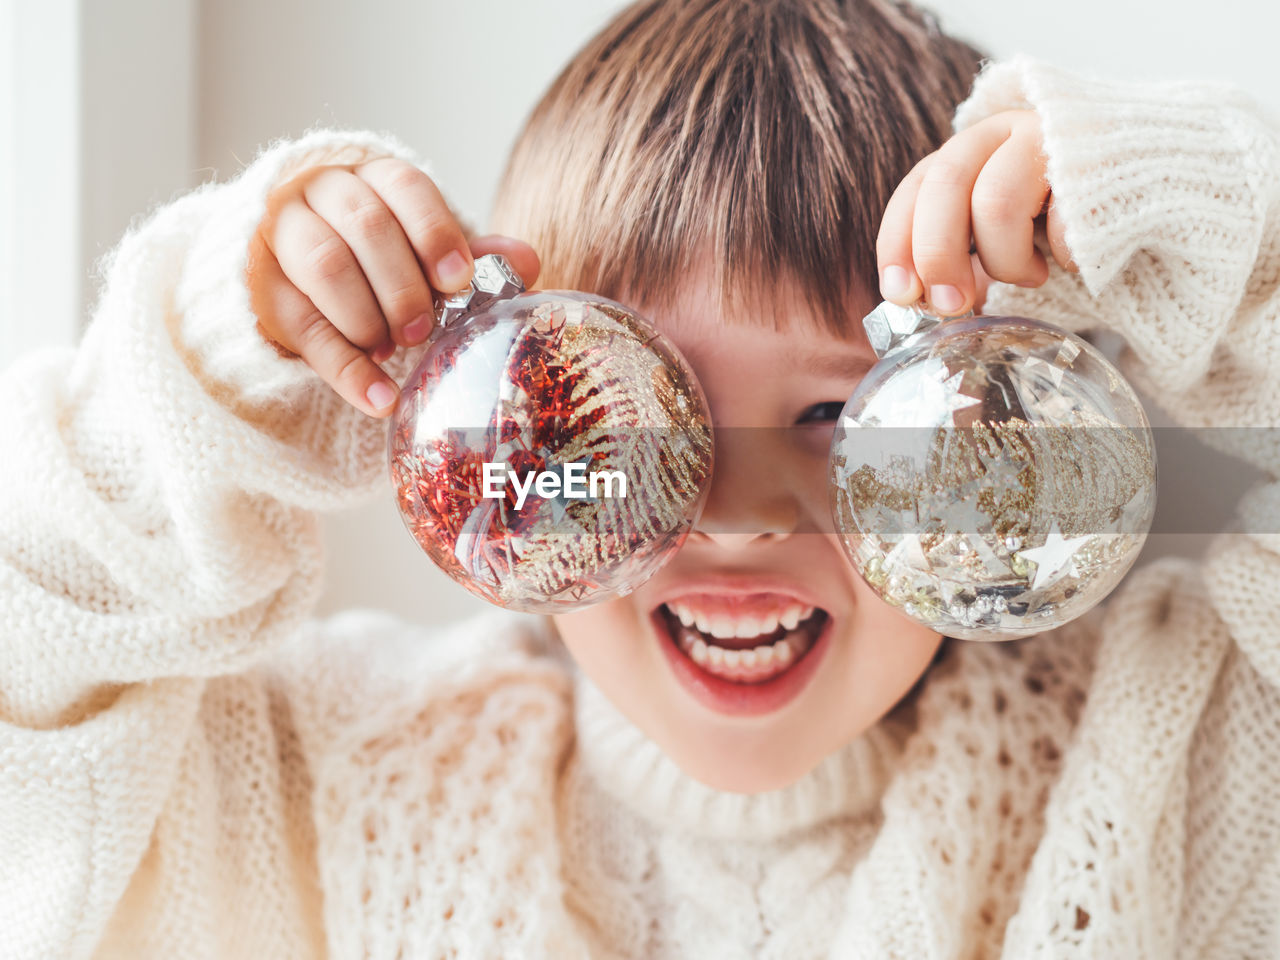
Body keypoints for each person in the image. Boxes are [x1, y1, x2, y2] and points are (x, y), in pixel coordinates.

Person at [2, 0, 1277, 956]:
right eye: (613, 410)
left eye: (841, 412)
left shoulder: (1162, 756)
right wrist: (231, 368)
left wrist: (1188, 223)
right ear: (486, 407)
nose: (730, 515)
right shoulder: (322, 775)